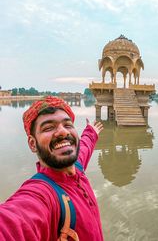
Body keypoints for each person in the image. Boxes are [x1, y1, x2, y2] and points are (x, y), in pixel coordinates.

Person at [0, 96, 104, 240]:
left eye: (68, 125)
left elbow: (84, 146)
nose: (63, 132)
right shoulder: (43, 194)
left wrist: (91, 132)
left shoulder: (77, 168)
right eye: (48, 127)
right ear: (32, 143)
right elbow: (13, 223)